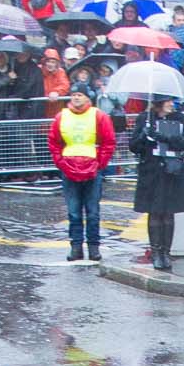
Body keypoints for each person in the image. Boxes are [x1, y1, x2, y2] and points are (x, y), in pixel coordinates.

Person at [48, 85, 116, 262]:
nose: (76, 98)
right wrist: (61, 163)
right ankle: (76, 247)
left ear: (88, 98)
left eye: (80, 95)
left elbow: (109, 142)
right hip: (69, 169)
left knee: (92, 212)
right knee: (74, 212)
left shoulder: (99, 116)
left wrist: (99, 164)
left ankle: (94, 247)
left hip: (92, 170)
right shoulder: (61, 116)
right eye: (74, 95)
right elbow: (54, 142)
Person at [128, 94, 184, 271]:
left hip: (172, 169)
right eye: (168, 101)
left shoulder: (179, 118)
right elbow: (134, 146)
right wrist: (143, 136)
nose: (172, 104)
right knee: (155, 212)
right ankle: (155, 252)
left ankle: (166, 253)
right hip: (151, 171)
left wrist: (164, 137)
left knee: (169, 213)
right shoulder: (145, 118)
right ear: (159, 103)